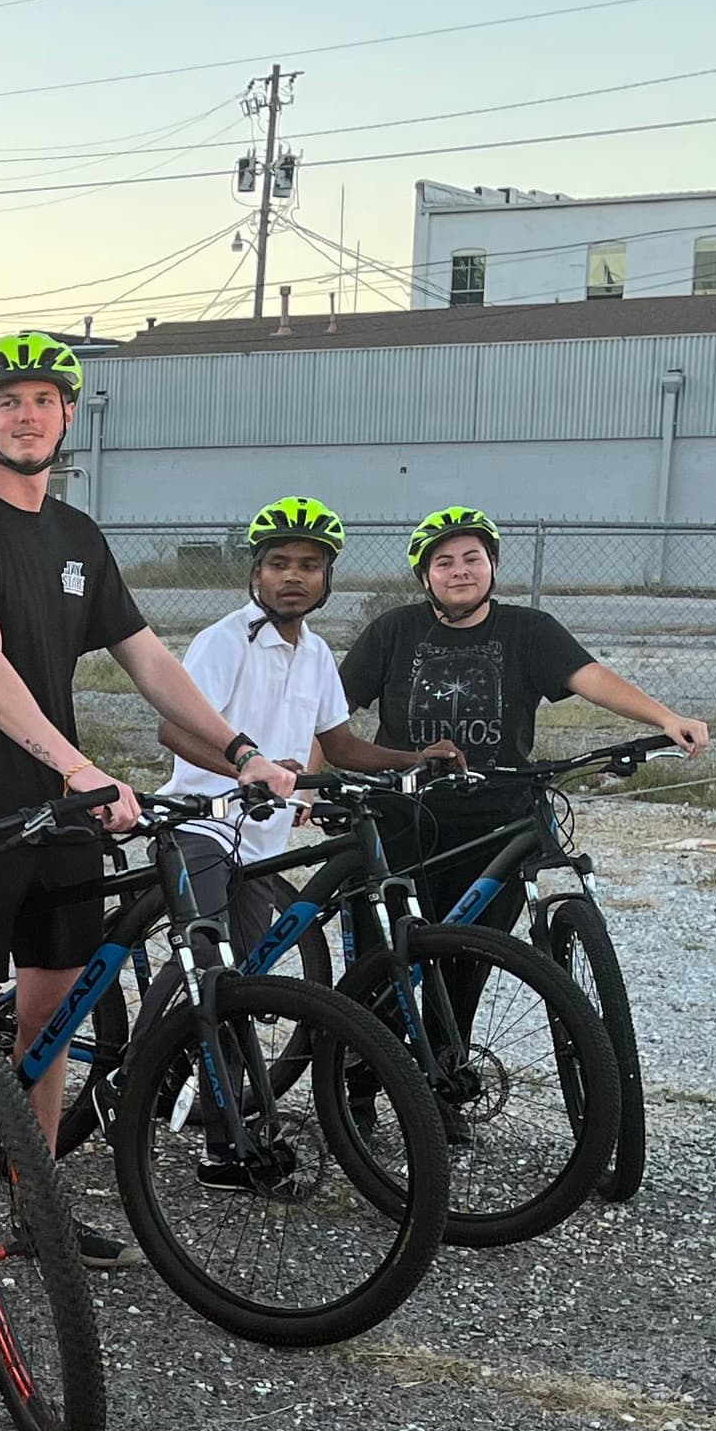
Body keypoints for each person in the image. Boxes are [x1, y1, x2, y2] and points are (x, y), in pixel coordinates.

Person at [0, 330, 303, 1314]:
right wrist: (77, 765)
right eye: (9, 402)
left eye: (45, 400)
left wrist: (244, 751)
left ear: (68, 415)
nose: (27, 415)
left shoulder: (78, 537)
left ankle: (32, 1207)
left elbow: (149, 660)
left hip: (62, 821)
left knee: (55, 1016)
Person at [145, 498, 456, 1174]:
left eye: (310, 566)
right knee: (206, 969)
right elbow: (174, 728)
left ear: (328, 578)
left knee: (239, 986)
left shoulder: (315, 654)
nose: (294, 576)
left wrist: (411, 759)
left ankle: (218, 1140)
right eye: (280, 563)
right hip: (201, 824)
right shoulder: (225, 640)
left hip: (261, 844)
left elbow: (339, 743)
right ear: (255, 573)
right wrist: (248, 762)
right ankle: (144, 1083)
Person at [338, 504, 710, 929]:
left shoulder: (529, 630)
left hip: (498, 823)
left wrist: (664, 718)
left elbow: (592, 677)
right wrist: (308, 789)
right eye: (444, 563)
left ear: (492, 566)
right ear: (426, 578)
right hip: (404, 817)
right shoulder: (393, 630)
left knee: (473, 957)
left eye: (472, 559)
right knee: (391, 963)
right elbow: (328, 715)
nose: (460, 571)